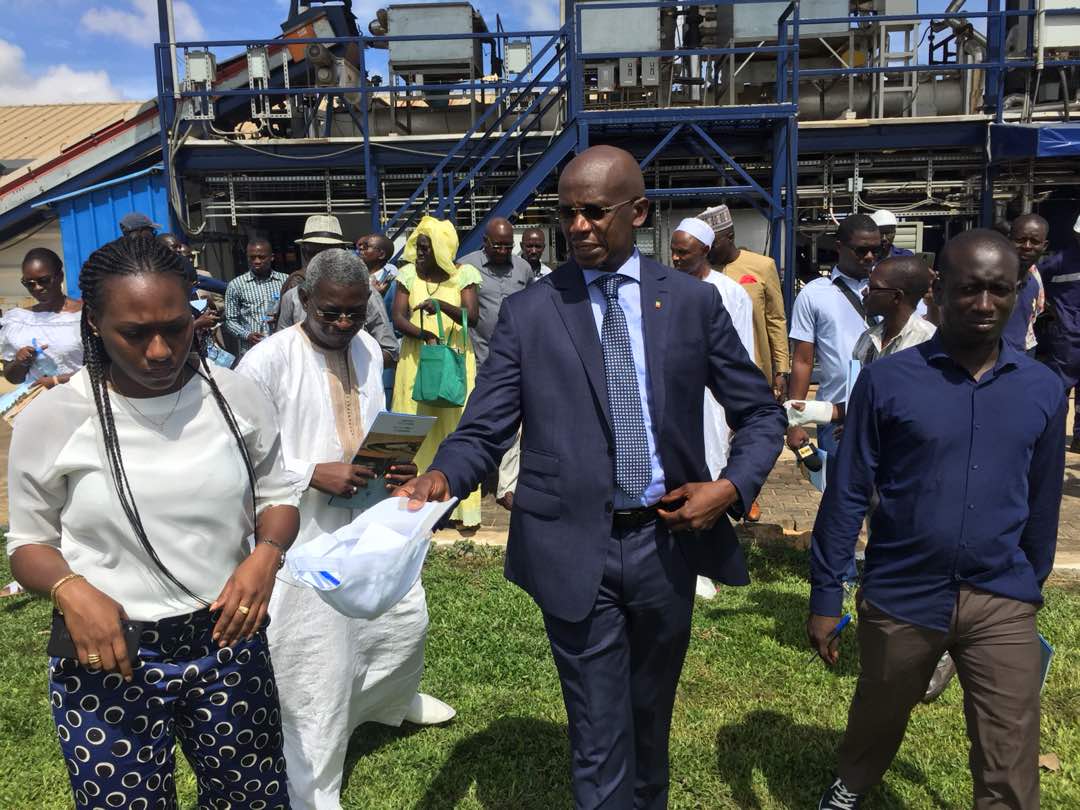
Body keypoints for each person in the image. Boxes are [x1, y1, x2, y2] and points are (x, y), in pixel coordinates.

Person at [396, 146, 786, 809]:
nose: (577, 226)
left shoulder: (690, 303)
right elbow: (486, 427)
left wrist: (729, 487)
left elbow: (760, 415)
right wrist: (441, 478)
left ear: (638, 212)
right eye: (568, 212)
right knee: (600, 728)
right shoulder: (531, 313)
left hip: (667, 541)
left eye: (595, 212)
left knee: (649, 715)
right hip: (575, 546)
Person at [6, 236, 302, 810]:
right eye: (135, 334)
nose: (161, 350)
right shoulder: (53, 417)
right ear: (93, 322)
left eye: (176, 325)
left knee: (253, 798)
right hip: (107, 649)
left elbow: (278, 495)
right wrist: (69, 588)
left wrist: (266, 553)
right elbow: (27, 544)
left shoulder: (236, 395)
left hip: (226, 640)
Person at [809, 230, 1065, 810]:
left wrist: (1028, 584)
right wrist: (826, 594)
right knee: (881, 704)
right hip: (903, 590)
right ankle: (853, 780)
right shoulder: (889, 381)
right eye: (968, 289)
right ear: (937, 293)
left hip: (999, 596)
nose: (983, 304)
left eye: (999, 290)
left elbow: (1043, 500)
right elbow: (849, 490)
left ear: (1017, 291)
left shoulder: (1043, 390)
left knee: (1010, 743)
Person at [237, 249, 453, 810]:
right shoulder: (267, 362)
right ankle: (312, 785)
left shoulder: (362, 346)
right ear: (304, 301)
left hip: (368, 515)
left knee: (399, 620)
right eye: (330, 312)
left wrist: (394, 463)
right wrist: (312, 474)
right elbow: (235, 458)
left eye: (355, 313)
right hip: (299, 534)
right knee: (318, 658)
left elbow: (362, 425)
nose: (342, 324)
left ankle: (388, 702)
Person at [670, 216, 758, 600]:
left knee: (710, 465)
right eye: (673, 250)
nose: (674, 258)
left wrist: (738, 411)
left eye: (683, 252)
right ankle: (678, 554)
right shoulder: (667, 289)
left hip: (714, 398)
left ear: (705, 251)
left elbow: (742, 354)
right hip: (675, 393)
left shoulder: (729, 292)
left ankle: (705, 562)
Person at [391, 216, 483, 529]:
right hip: (417, 359)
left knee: (457, 428)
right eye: (417, 246)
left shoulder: (464, 275)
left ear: (442, 250)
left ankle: (458, 508)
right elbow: (398, 319)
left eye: (425, 248)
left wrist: (441, 306)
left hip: (454, 359)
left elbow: (473, 317)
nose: (418, 253)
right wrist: (423, 335)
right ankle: (414, 501)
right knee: (416, 428)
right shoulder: (406, 276)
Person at [787, 214, 880, 466]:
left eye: (876, 249)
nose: (870, 257)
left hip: (886, 413)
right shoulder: (814, 294)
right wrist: (794, 421)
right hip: (835, 414)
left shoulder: (892, 288)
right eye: (861, 250)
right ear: (840, 248)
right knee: (838, 495)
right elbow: (803, 360)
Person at [700, 204, 790, 400]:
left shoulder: (763, 266)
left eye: (713, 244)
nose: (708, 251)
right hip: (713, 375)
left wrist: (781, 370)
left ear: (730, 237)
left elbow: (775, 320)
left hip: (755, 370)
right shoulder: (701, 273)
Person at [1, 248, 83, 390]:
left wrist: (59, 380)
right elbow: (12, 378)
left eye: (44, 280)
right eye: (29, 283)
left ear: (60, 276)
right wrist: (21, 362)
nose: (37, 288)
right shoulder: (17, 320)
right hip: (41, 405)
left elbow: (109, 366)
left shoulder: (85, 315)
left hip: (85, 399)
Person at [457, 217, 533, 367]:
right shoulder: (466, 266)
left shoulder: (524, 269)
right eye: (497, 245)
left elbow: (532, 306)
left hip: (515, 358)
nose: (503, 251)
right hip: (479, 359)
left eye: (508, 246)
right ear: (485, 241)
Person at [1038, 213, 1080, 451]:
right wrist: (1047, 305)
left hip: (1069, 332)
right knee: (1059, 390)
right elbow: (1033, 279)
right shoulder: (1060, 261)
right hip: (1066, 336)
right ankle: (1052, 437)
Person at [853, 255, 936, 364]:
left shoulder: (928, 342)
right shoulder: (866, 339)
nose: (864, 292)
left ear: (896, 296)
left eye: (872, 288)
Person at [224, 236, 288, 356]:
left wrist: (279, 317)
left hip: (281, 349)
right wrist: (247, 335)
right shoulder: (236, 285)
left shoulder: (285, 281)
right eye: (252, 257)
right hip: (252, 351)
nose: (257, 261)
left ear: (272, 257)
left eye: (262, 257)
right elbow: (230, 320)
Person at [1003, 213, 1048, 355]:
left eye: (1034, 241)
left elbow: (1034, 315)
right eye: (1020, 240)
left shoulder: (1034, 278)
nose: (1027, 246)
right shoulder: (991, 277)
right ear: (1009, 240)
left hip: (1021, 355)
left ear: (1044, 246)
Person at [359, 233, 399, 299]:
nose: (360, 248)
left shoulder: (393, 285)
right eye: (361, 245)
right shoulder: (351, 278)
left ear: (381, 254)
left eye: (365, 246)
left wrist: (375, 295)